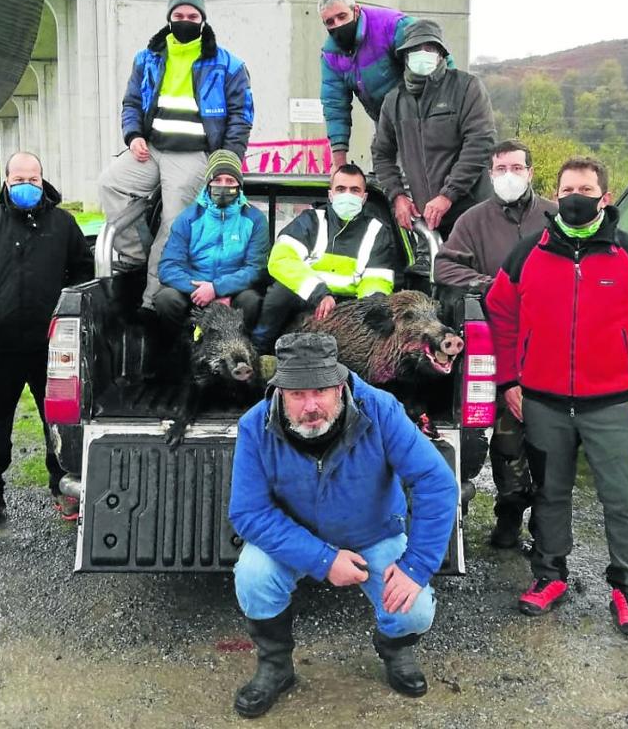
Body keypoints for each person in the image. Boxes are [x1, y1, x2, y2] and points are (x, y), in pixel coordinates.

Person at [485, 157, 628, 638]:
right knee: (550, 494)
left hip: (613, 403)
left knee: (623, 499)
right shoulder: (529, 252)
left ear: (604, 198)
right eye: (568, 188)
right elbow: (500, 313)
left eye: (586, 189)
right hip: (545, 402)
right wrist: (510, 380)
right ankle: (549, 575)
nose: (576, 196)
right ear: (556, 194)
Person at [228, 332, 458, 718]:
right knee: (252, 576)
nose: (311, 405)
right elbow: (249, 512)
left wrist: (416, 566)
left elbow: (437, 482)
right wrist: (323, 559)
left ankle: (395, 648)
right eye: (297, 394)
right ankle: (276, 666)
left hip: (373, 534)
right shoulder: (255, 425)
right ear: (279, 390)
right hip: (294, 539)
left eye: (320, 391)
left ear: (340, 384)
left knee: (414, 608)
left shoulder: (382, 410)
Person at [0, 152, 94, 525]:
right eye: (18, 179)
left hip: (51, 346)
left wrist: (64, 310)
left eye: (32, 180)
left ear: (42, 181)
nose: (26, 186)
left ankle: (64, 486)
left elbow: (83, 270)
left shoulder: (63, 224)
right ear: (5, 182)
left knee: (58, 420)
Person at [99, 0, 254, 313]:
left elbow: (241, 116)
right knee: (110, 184)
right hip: (151, 147)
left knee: (172, 224)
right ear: (169, 18)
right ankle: (135, 257)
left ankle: (151, 302)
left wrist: (227, 159)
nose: (185, 22)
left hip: (194, 154)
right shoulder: (147, 58)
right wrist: (133, 135)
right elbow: (131, 103)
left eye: (192, 17)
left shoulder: (229, 64)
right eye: (179, 16)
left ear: (202, 20)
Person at [435, 139, 557, 549]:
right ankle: (508, 516)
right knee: (507, 440)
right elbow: (445, 265)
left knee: (553, 444)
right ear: (491, 174)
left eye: (516, 167)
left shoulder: (554, 217)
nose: (509, 175)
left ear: (530, 172)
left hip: (555, 350)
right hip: (502, 349)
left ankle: (548, 533)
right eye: (501, 168)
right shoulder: (473, 220)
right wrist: (488, 286)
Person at [249, 163, 399, 354]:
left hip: (350, 302)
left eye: (354, 190)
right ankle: (260, 350)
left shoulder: (377, 230)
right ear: (330, 195)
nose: (347, 195)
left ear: (364, 197)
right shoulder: (310, 220)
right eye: (341, 189)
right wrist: (320, 294)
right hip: (309, 296)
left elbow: (377, 281)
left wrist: (365, 310)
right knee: (279, 293)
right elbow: (282, 259)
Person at [371, 19, 497, 240]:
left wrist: (448, 195)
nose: (423, 53)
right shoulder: (394, 101)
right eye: (415, 49)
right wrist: (397, 195)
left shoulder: (467, 87)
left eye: (429, 48)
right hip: (428, 223)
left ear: (440, 53)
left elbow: (480, 143)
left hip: (474, 215)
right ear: (405, 56)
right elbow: (381, 153)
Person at [154, 149, 268, 338]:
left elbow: (255, 269)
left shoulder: (254, 219)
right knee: (166, 300)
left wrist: (217, 288)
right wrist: (201, 292)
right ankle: (181, 350)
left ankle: (243, 353)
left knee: (252, 300)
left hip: (234, 293)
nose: (223, 186)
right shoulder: (188, 218)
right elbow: (168, 267)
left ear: (239, 185)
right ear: (208, 183)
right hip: (193, 292)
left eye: (230, 181)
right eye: (217, 180)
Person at [317, 0, 427, 168]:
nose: (337, 24)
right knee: (385, 173)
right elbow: (335, 107)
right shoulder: (331, 55)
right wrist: (339, 166)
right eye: (330, 22)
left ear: (356, 10)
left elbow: (434, 57)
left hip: (421, 116)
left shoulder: (392, 25)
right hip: (383, 121)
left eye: (342, 16)